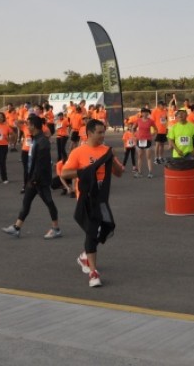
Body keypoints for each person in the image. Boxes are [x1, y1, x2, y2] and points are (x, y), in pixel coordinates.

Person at [60, 119, 125, 288]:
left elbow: (119, 174)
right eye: (100, 132)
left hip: (102, 199)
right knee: (91, 232)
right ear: (89, 133)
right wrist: (86, 172)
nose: (103, 135)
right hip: (86, 200)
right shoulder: (78, 152)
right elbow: (65, 173)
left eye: (104, 132)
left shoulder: (106, 151)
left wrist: (114, 158)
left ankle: (84, 257)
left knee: (107, 229)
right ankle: (93, 272)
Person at [1, 114, 61, 239]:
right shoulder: (35, 139)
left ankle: (56, 228)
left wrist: (34, 180)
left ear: (33, 126)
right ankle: (16, 228)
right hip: (33, 179)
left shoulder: (42, 141)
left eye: (28, 124)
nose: (26, 126)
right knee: (26, 202)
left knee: (49, 202)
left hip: (40, 180)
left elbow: (42, 164)